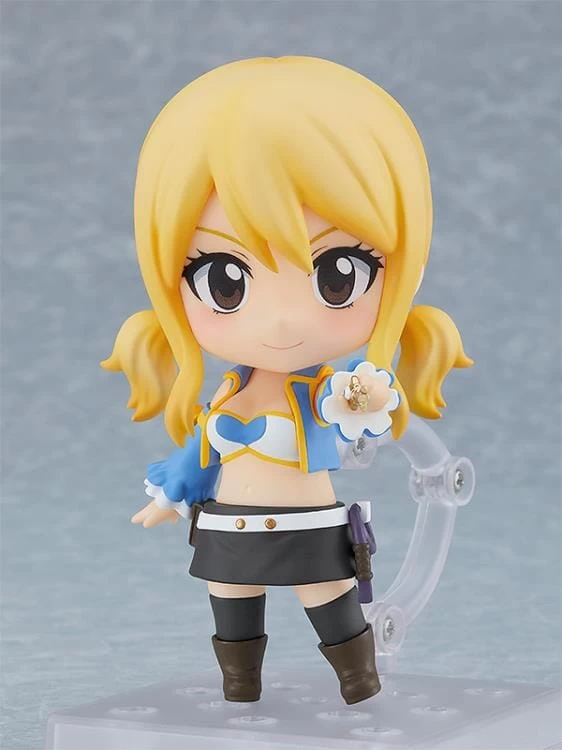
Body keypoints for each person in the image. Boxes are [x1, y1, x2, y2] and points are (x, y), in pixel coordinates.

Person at [101, 56, 472, 705]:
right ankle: (239, 689)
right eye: (224, 278)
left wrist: (368, 404)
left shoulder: (329, 390)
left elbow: (368, 417)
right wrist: (169, 494)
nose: (280, 320)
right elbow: (200, 453)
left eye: (338, 272)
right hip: (230, 527)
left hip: (307, 524)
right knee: (230, 601)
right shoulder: (225, 395)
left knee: (328, 597)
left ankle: (360, 683)